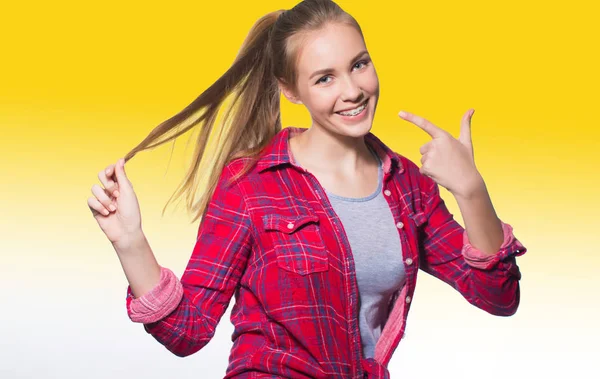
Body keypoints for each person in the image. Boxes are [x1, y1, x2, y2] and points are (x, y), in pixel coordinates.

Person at [87, 0, 527, 378]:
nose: (353, 91)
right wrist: (130, 242)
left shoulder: (405, 185)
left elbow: (499, 297)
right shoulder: (252, 185)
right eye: (324, 78)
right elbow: (188, 331)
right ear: (290, 90)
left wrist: (471, 189)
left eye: (359, 64)